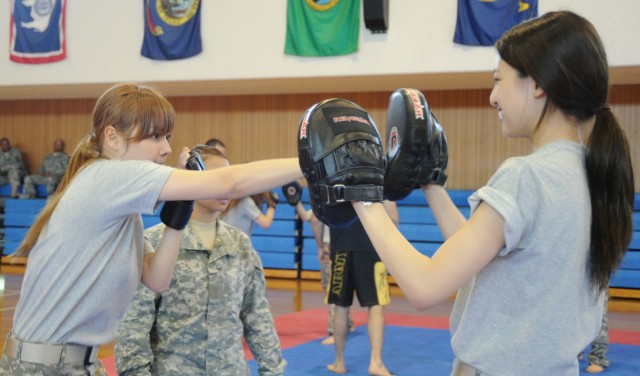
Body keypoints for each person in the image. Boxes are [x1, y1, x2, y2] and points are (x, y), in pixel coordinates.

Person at [347, 11, 634, 376]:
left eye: (499, 80)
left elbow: (423, 286)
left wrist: (361, 194)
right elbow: (480, 254)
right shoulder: (595, 179)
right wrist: (431, 184)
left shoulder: (525, 177)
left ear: (538, 84)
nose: (493, 97)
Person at [0, 82, 302, 375]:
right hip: (42, 367)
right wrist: (310, 162)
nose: (166, 149)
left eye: (167, 136)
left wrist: (178, 216)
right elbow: (229, 182)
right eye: (155, 137)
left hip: (79, 363)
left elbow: (157, 278)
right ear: (113, 138)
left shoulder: (124, 212)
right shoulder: (107, 176)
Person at [115, 145, 286, 375]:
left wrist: (272, 370)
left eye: (227, 177)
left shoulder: (239, 244)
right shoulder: (155, 243)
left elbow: (257, 316)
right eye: (216, 178)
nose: (225, 185)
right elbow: (134, 326)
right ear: (193, 180)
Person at [327, 200, 398, 376]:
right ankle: (376, 362)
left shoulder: (331, 175)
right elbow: (393, 217)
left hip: (340, 246)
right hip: (370, 246)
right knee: (376, 304)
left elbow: (320, 216)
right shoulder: (378, 173)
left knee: (341, 306)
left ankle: (339, 362)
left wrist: (322, 245)